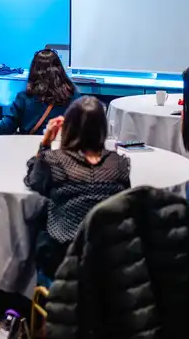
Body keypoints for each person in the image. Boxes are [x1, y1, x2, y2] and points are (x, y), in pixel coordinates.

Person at [25, 96, 131, 278]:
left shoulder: (54, 161)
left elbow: (33, 181)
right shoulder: (119, 163)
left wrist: (45, 144)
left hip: (62, 255)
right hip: (110, 255)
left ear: (69, 128)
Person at [0, 49, 79, 135]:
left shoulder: (24, 98)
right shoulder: (73, 96)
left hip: (31, 145)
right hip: (61, 145)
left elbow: (4, 128)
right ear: (60, 70)